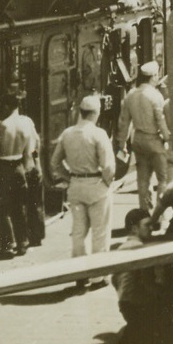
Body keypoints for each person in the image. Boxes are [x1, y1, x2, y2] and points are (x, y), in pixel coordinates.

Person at [51, 95, 115, 283]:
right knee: (100, 232)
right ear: (95, 113)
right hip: (96, 187)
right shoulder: (99, 134)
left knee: (78, 232)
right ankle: (98, 276)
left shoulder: (67, 133)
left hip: (76, 186)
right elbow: (109, 167)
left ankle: (79, 273)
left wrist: (68, 176)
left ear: (81, 112)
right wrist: (107, 182)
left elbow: (54, 163)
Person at [113, 209, 173, 344]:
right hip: (138, 305)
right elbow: (147, 283)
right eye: (147, 225)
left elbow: (114, 279)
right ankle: (141, 332)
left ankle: (136, 331)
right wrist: (166, 294)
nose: (151, 229)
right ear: (134, 229)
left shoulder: (121, 247)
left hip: (125, 304)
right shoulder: (141, 248)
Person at [0, 83, 42, 257]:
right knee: (19, 206)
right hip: (20, 166)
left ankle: (8, 245)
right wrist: (36, 163)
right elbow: (35, 146)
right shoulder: (27, 123)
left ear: (6, 106)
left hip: (4, 166)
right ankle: (22, 242)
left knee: (3, 207)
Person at [116, 61, 171, 213]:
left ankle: (144, 212)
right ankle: (161, 213)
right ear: (153, 76)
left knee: (143, 179)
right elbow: (161, 121)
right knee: (163, 178)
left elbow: (124, 123)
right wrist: (167, 139)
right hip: (154, 140)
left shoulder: (131, 95)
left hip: (138, 140)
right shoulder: (155, 96)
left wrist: (122, 145)